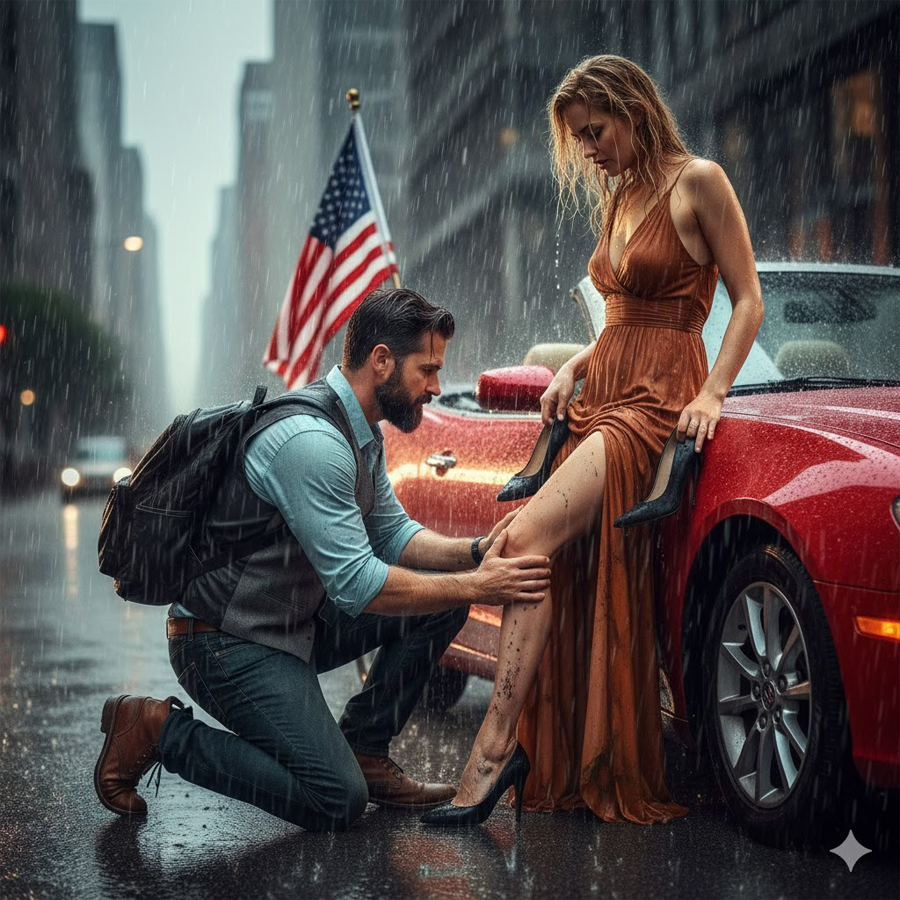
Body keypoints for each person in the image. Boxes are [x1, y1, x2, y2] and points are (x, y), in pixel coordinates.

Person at [422, 55, 763, 826]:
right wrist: (574, 365)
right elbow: (618, 318)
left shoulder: (699, 180)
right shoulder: (618, 196)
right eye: (579, 140)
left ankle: (494, 749)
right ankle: (518, 749)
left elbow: (748, 301)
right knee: (522, 542)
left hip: (656, 401)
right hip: (603, 389)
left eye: (594, 132)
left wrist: (712, 393)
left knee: (525, 537)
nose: (589, 151)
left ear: (633, 109)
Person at [94, 287, 552, 832]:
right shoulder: (311, 442)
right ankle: (153, 730)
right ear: (381, 360)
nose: (435, 387)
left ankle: (364, 748)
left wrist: (474, 553)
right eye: (427, 370)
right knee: (335, 800)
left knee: (439, 598)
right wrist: (481, 585)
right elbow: (361, 585)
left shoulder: (359, 431)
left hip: (291, 623)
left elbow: (392, 533)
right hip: (221, 643)